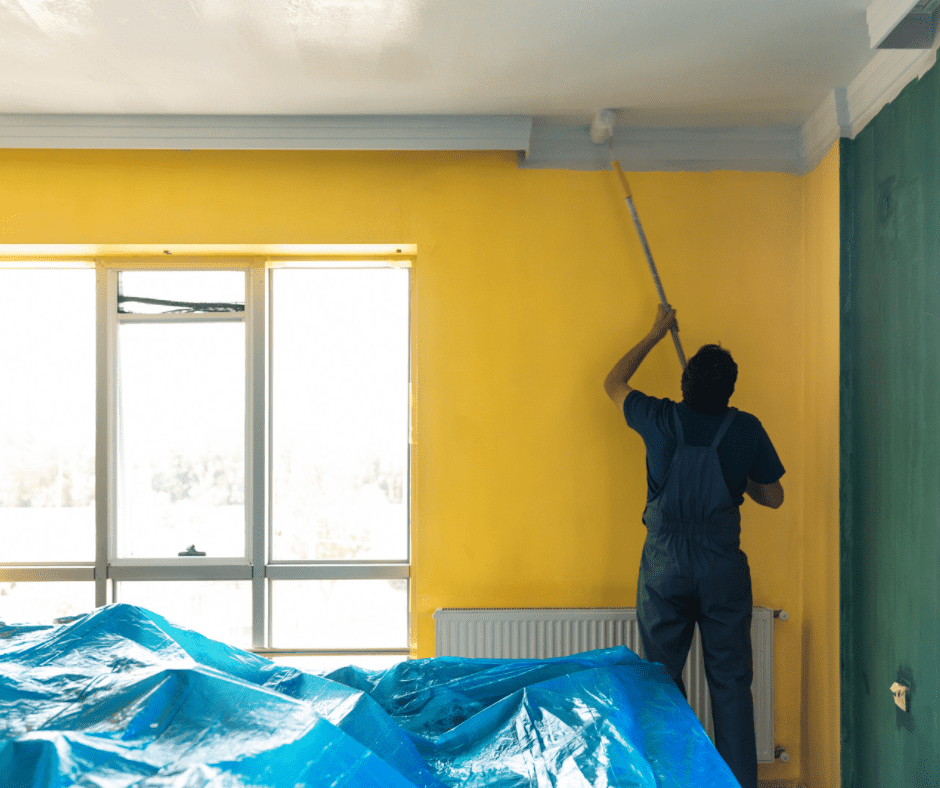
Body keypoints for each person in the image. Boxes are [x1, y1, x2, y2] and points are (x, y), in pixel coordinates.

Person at [603, 304, 785, 788]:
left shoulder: (659, 418)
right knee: (730, 687)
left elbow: (612, 383)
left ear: (685, 385)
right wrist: (740, 474)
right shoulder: (745, 429)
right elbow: (774, 497)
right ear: (730, 390)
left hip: (665, 569)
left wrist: (656, 332)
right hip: (723, 570)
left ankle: (670, 779)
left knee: (660, 683)